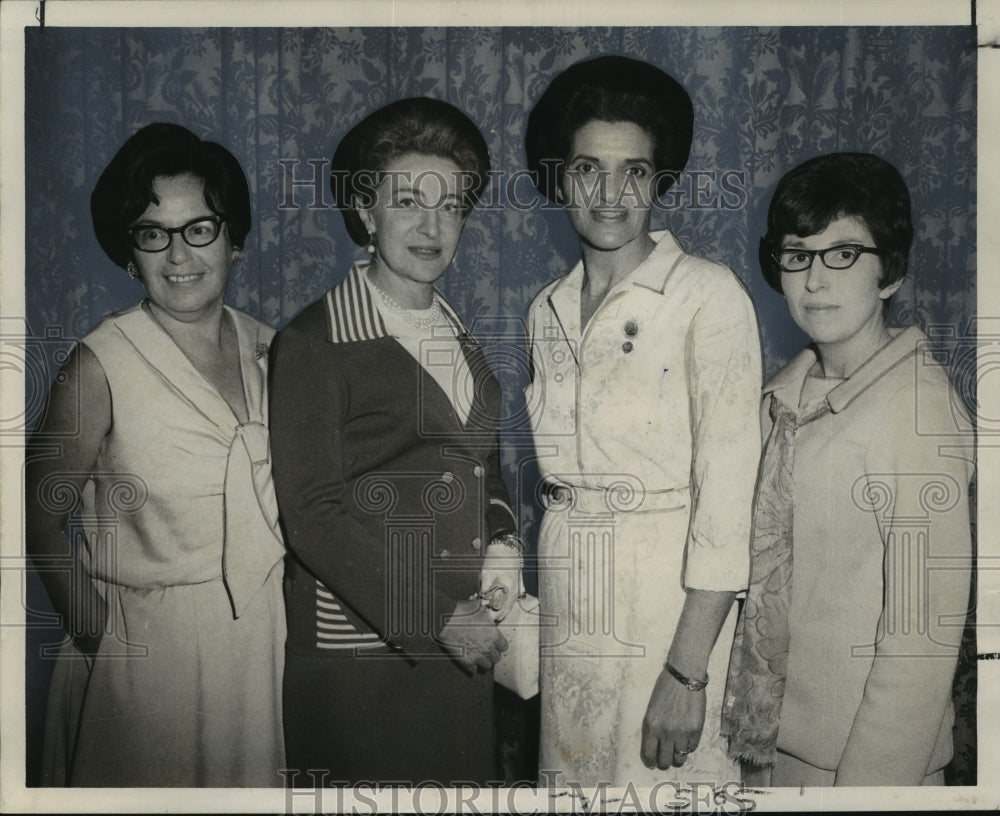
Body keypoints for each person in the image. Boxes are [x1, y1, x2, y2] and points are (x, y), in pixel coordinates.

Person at [523, 55, 762, 786]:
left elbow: (727, 505)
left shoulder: (706, 297)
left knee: (660, 787)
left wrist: (687, 675)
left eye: (634, 171)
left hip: (669, 602)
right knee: (575, 782)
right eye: (589, 168)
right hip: (572, 591)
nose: (610, 193)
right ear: (561, 177)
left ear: (658, 182)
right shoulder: (547, 310)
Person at [269, 97, 521, 784]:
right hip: (365, 654)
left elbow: (483, 463)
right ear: (365, 213)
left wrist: (502, 550)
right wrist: (435, 617)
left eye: (451, 205)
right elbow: (312, 515)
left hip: (463, 635)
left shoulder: (459, 334)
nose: (431, 226)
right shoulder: (315, 341)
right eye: (407, 200)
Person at [26, 123, 286, 786]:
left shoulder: (275, 351)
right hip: (144, 658)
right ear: (128, 253)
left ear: (235, 241)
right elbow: (38, 516)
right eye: (152, 233)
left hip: (260, 648)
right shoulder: (100, 363)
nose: (178, 255)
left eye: (199, 229)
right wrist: (98, 634)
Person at [722, 152, 974, 786]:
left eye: (843, 254)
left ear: (888, 271)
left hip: (866, 771)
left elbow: (920, 643)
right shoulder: (779, 403)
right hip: (766, 753)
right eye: (797, 253)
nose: (815, 279)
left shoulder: (917, 411)